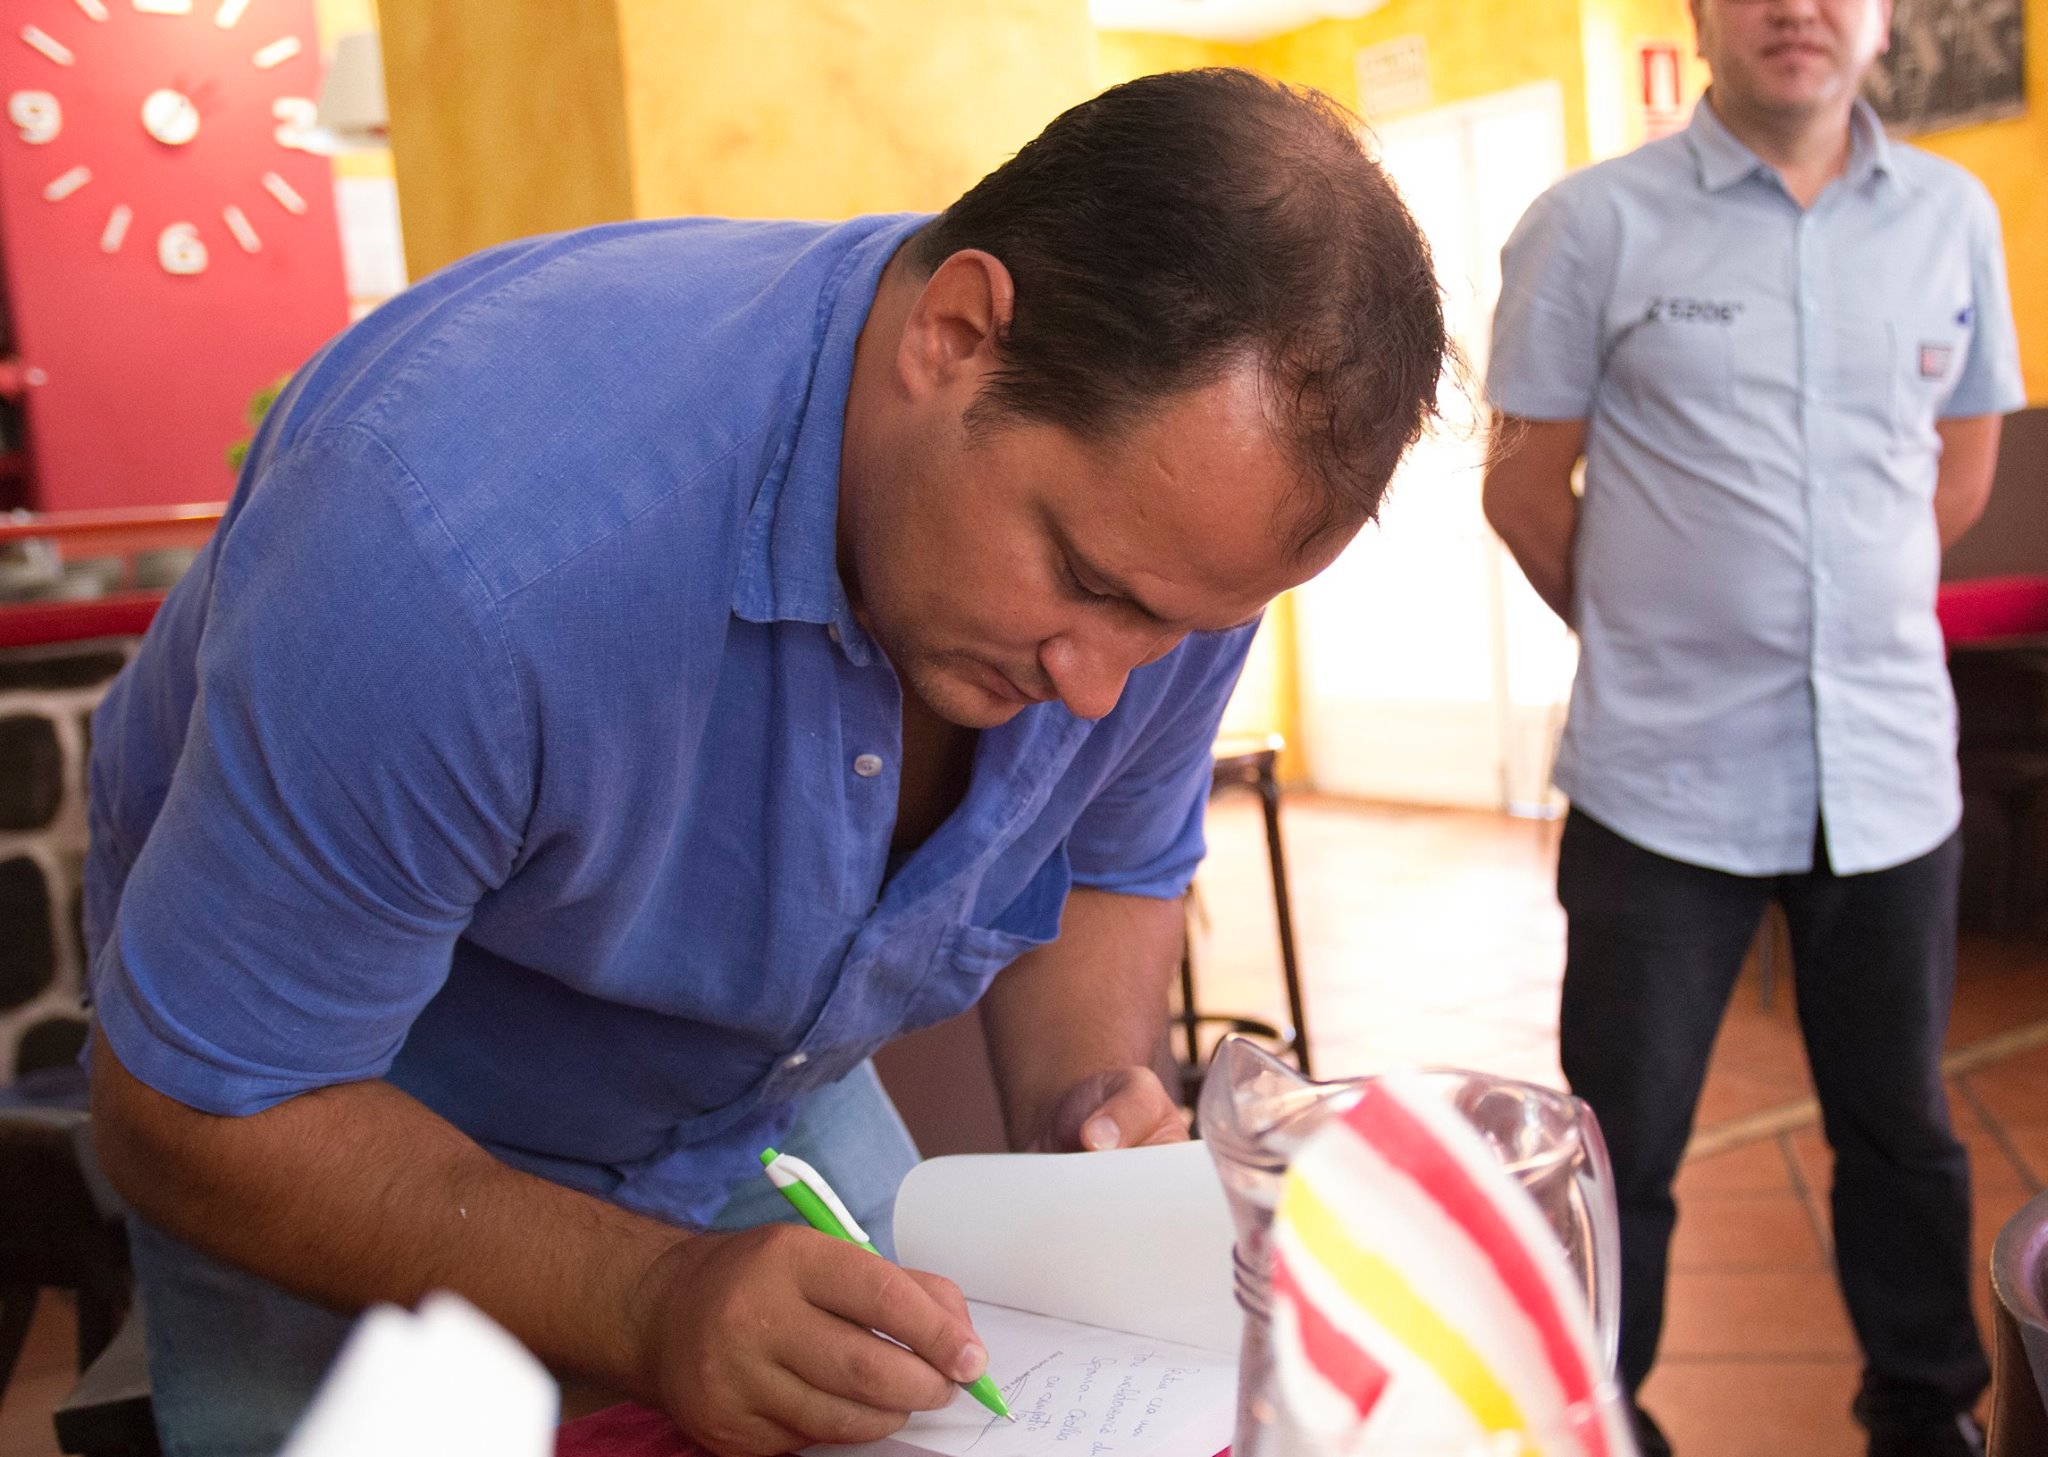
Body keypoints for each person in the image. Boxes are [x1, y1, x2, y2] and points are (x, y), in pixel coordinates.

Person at [82, 68, 1447, 1457]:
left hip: (764, 1105)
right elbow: (198, 1109)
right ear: (957, 335)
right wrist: (648, 1294)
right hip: (351, 1123)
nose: (1100, 686)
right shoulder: (454, 556)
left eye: (1175, 628)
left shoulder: (1170, 545)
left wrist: (1086, 1106)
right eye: (1086, 582)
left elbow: (1104, 860)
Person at [1482, 0, 2023, 1452]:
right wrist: (1661, 635)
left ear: (1885, 17)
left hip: (1891, 773)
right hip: (1660, 782)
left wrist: (1830, 614)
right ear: (1699, 14)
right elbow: (1524, 492)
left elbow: (1961, 472)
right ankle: (1595, 1418)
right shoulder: (1591, 224)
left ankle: (1925, 1411)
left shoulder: (1954, 217)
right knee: (1622, 1148)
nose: (1797, 8)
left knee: (1901, 1132)